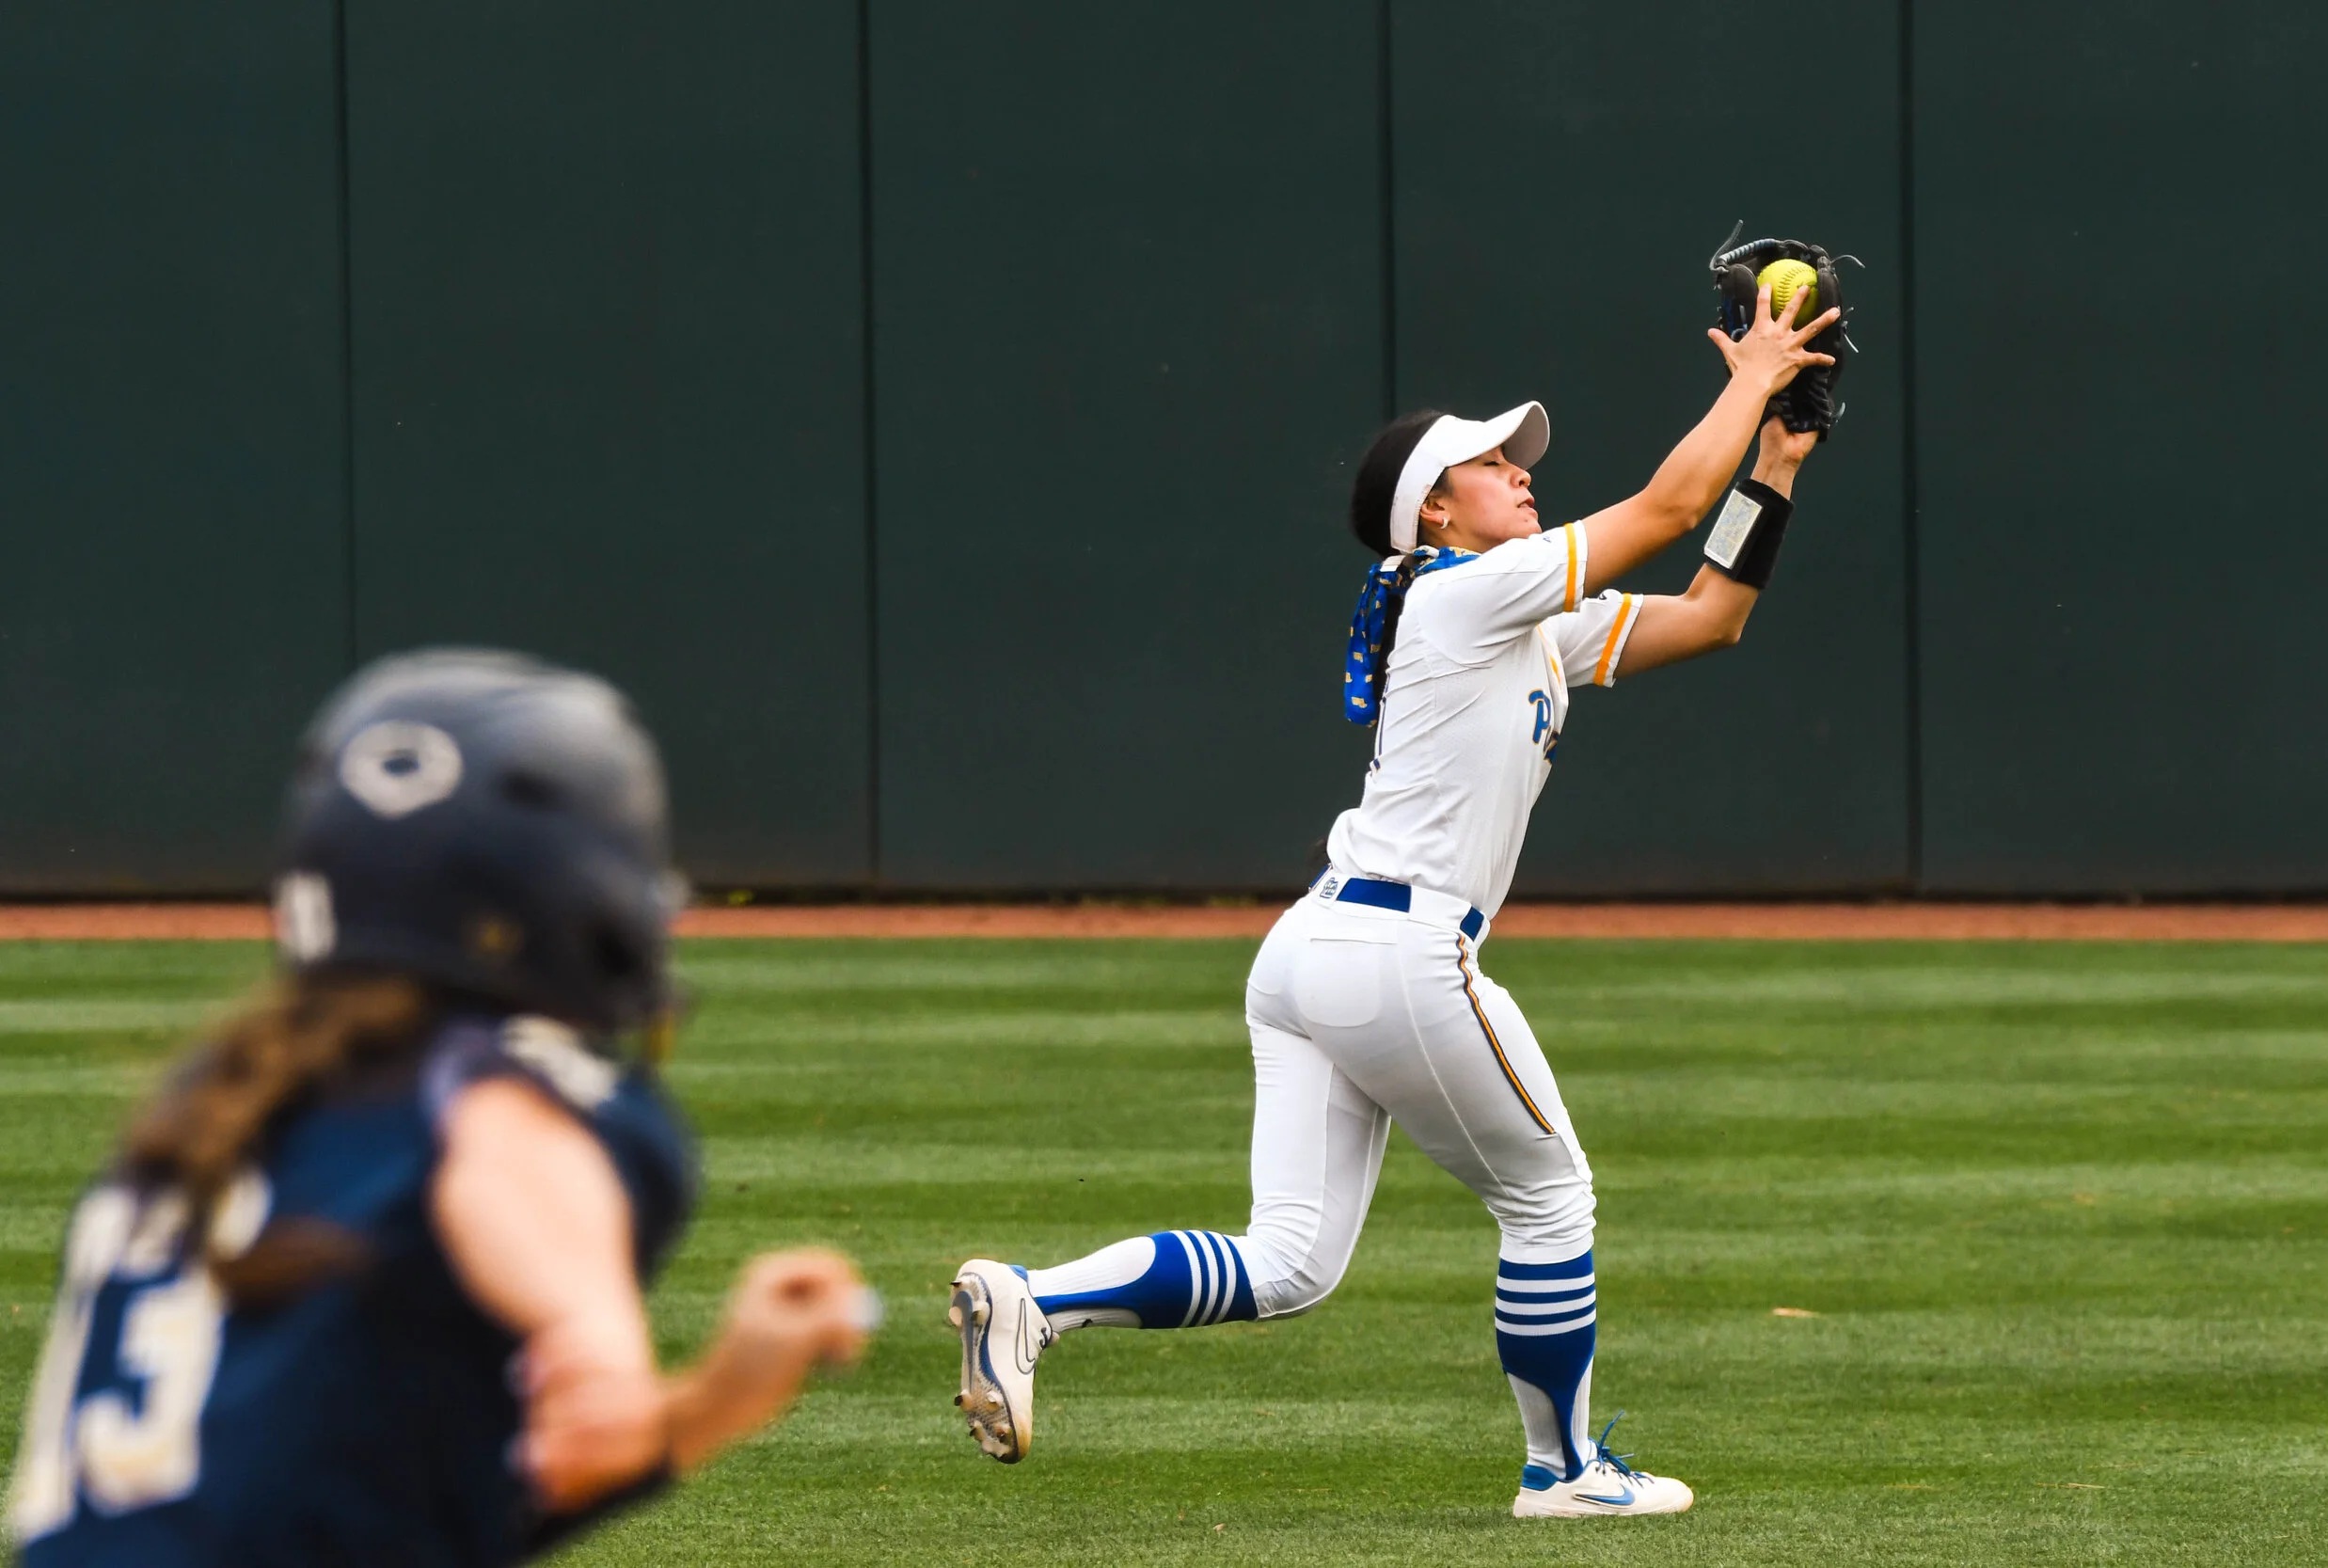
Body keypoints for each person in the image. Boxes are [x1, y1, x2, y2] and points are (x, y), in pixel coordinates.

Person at [948, 286, 1841, 1518]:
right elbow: (1667, 506)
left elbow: (1709, 615)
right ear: (1434, 507)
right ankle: (1564, 1469)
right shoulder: (1464, 591)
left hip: (1314, 946)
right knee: (1548, 1192)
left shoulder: (1515, 614)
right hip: (1402, 948)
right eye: (1492, 463)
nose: (1522, 475)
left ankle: (1030, 1300)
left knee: (1290, 1261)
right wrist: (1754, 375)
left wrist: (1778, 467)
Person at [7, 650, 873, 1566]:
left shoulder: (208, 1115)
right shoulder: (507, 1083)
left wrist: (717, 1398)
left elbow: (393, 1500)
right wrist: (591, 1333)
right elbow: (499, 1147)